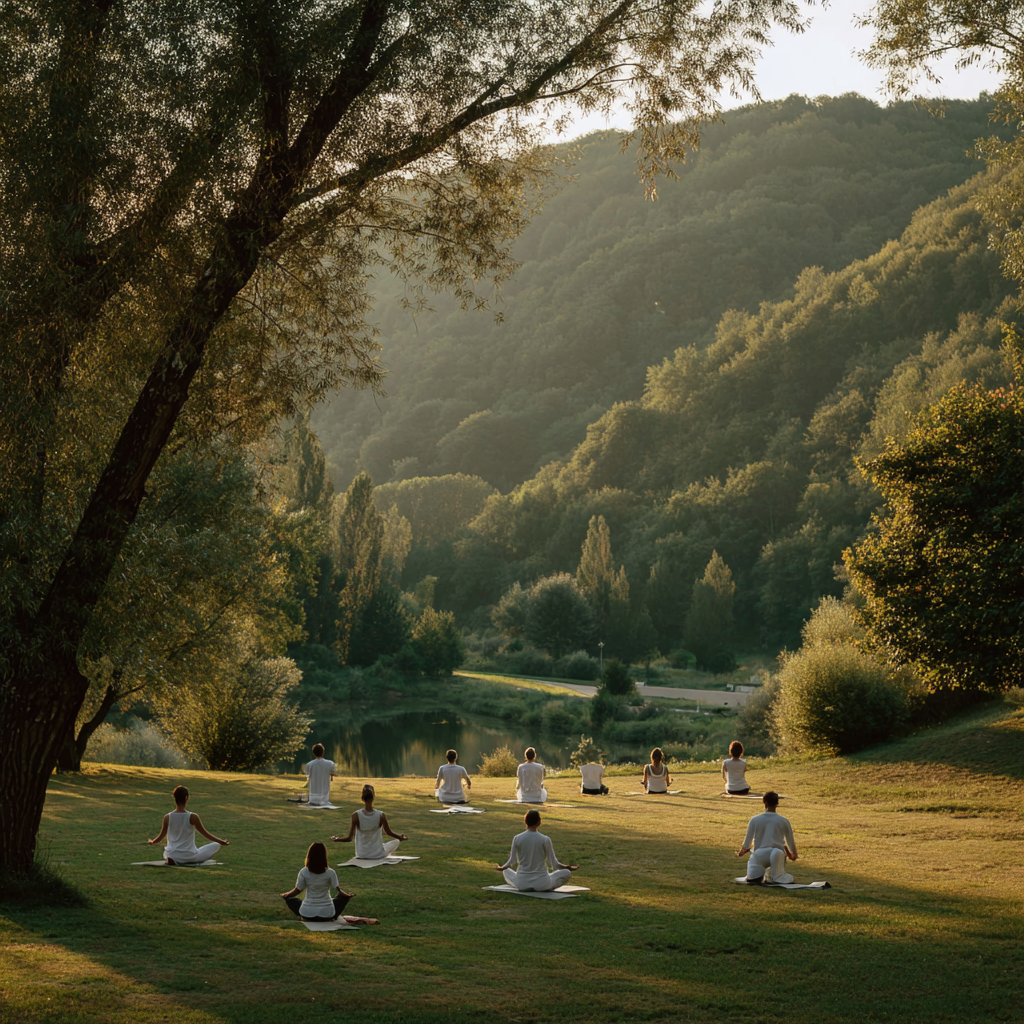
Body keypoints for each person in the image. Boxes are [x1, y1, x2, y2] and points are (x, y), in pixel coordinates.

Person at [495, 809, 579, 891]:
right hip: (542, 883)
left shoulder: (517, 838)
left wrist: (502, 868)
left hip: (522, 883)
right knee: (566, 873)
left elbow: (511, 861)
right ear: (539, 822)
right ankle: (548, 885)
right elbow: (554, 863)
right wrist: (567, 867)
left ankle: (524, 883)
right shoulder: (545, 839)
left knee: (506, 871)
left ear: (525, 821)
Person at [148, 785, 229, 865]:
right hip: (189, 856)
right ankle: (186, 860)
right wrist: (221, 842)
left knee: (170, 853)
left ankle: (174, 859)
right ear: (186, 798)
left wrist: (153, 841)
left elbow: (161, 837)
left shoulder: (167, 817)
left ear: (175, 798)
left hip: (171, 854)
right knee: (215, 845)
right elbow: (205, 834)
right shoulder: (192, 817)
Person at [280, 842, 355, 921]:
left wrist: (286, 895)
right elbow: (339, 892)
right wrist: (348, 896)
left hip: (307, 913)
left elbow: (298, 890)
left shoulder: (304, 871)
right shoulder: (330, 872)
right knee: (341, 899)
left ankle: (306, 913)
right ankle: (333, 916)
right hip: (327, 914)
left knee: (291, 900)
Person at [736, 791, 798, 884]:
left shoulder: (755, 819)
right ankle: (776, 876)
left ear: (764, 802)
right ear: (777, 803)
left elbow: (746, 844)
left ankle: (765, 876)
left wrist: (741, 852)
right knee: (780, 879)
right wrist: (793, 854)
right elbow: (790, 842)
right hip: (777, 853)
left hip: (759, 855)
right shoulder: (784, 821)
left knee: (752, 879)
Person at [332, 784, 408, 860]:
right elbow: (389, 832)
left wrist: (337, 839)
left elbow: (349, 838)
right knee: (396, 842)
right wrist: (400, 837)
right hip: (377, 854)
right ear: (373, 798)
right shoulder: (381, 815)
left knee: (385, 844)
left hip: (361, 854)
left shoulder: (356, 815)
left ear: (362, 798)